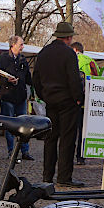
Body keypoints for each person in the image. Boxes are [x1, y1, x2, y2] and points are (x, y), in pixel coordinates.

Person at [32, 22, 84, 187]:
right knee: (67, 140)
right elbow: (73, 79)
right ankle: (64, 177)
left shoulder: (44, 52)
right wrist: (78, 98)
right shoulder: (69, 54)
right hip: (67, 102)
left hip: (51, 101)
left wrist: (44, 95)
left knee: (50, 139)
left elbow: (36, 79)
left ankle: (47, 176)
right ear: (68, 37)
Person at [0, 36, 33, 161]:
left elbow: (28, 77)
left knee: (24, 125)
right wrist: (6, 80)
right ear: (13, 45)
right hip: (7, 96)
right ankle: (11, 151)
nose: (23, 47)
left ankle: (25, 151)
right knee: (10, 125)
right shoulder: (2, 59)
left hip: (20, 97)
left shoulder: (23, 60)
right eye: (21, 44)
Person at [70, 41, 99, 166]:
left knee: (71, 130)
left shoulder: (72, 59)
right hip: (88, 101)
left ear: (75, 50)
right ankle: (80, 156)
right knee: (83, 131)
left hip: (73, 101)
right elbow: (98, 77)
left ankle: (68, 156)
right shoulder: (91, 61)